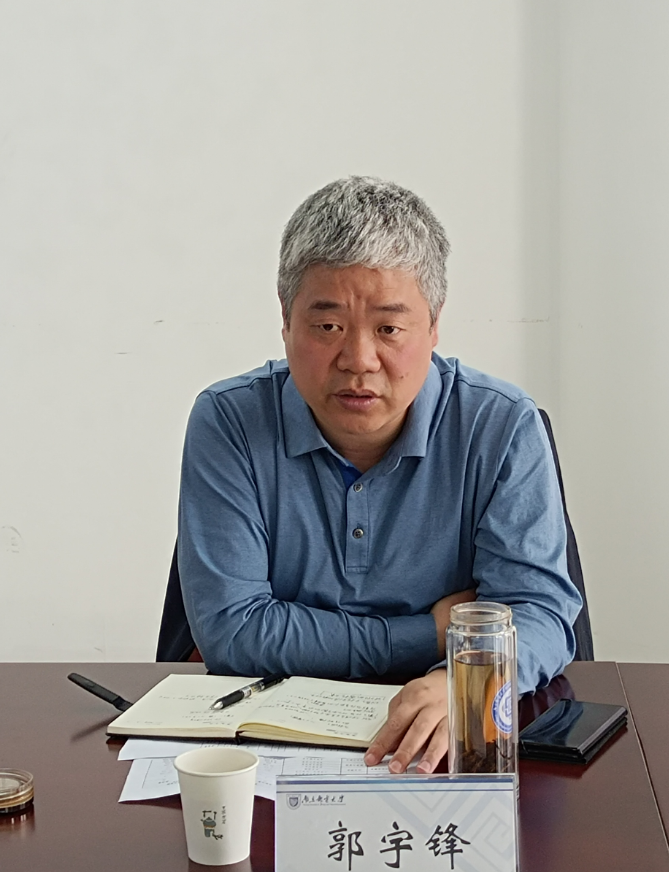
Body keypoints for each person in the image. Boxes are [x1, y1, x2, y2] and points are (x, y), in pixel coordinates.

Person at [178, 176, 583, 774]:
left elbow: (537, 612)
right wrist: (432, 634)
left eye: (389, 328)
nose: (359, 360)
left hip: (448, 743)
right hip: (269, 750)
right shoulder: (230, 421)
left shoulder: (500, 426)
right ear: (286, 321)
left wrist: (459, 683)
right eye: (328, 327)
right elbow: (234, 632)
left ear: (434, 325)